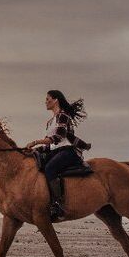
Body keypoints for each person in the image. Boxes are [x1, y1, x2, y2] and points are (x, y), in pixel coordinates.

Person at [25, 90, 92, 220]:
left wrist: (35, 142)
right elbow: (50, 145)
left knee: (50, 168)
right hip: (56, 151)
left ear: (55, 100)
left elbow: (58, 137)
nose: (45, 101)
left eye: (47, 99)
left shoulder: (63, 115)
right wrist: (35, 150)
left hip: (68, 151)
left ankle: (58, 205)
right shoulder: (50, 122)